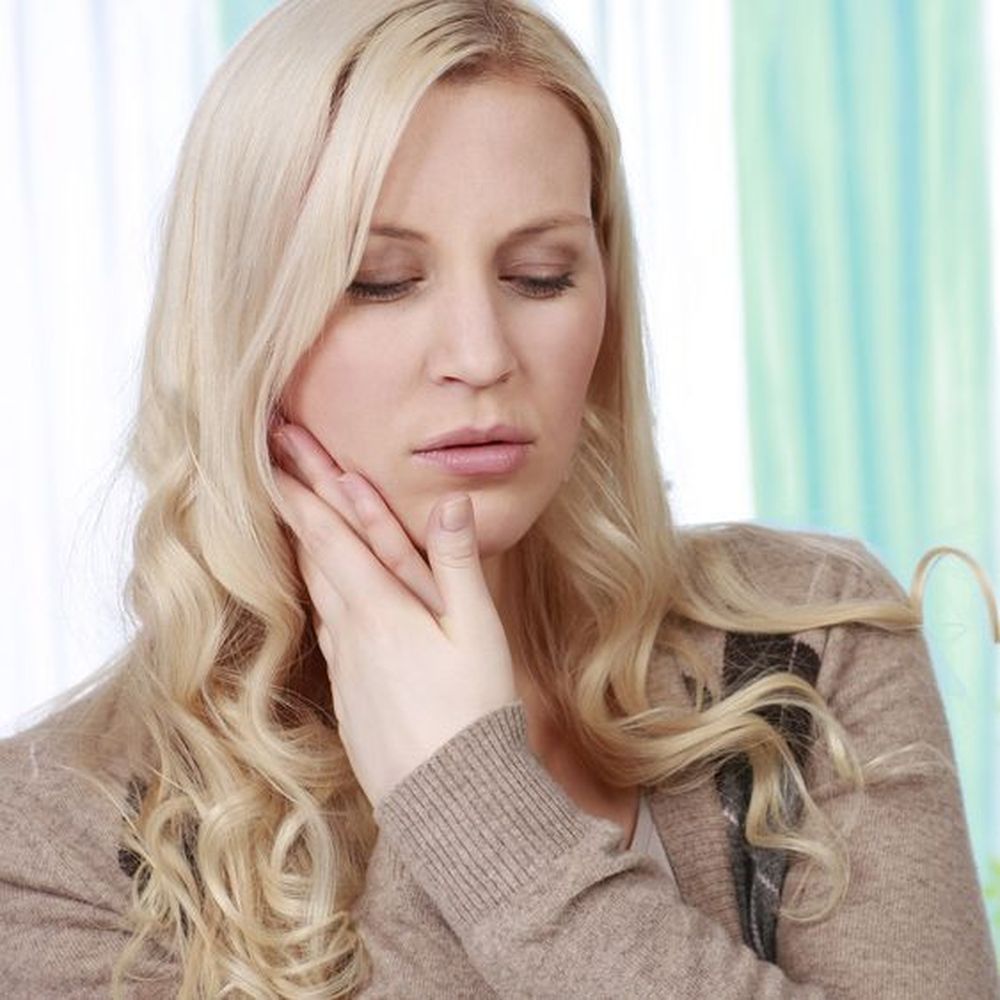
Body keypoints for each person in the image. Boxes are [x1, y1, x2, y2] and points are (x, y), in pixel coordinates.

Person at [1, 0, 997, 997]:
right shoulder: (54, 841)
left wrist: (475, 799)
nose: (480, 356)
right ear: (239, 328)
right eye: (379, 281)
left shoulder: (806, 648)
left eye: (539, 274)